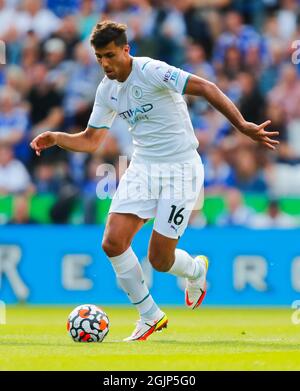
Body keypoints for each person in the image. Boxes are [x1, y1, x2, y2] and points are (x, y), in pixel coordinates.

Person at [30, 21, 279, 341]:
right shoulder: (107, 90)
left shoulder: (151, 71)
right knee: (112, 242)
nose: (104, 63)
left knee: (160, 259)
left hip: (181, 170)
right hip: (143, 169)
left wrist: (243, 126)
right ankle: (149, 314)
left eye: (109, 55)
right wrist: (57, 138)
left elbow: (207, 88)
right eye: (98, 58)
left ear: (125, 50)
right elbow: (91, 141)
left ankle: (196, 270)